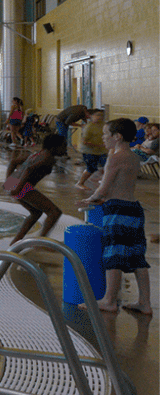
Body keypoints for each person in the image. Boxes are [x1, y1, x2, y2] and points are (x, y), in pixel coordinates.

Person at [81, 118, 152, 314]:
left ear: (117, 136)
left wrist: (89, 199)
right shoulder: (134, 157)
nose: (103, 138)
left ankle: (109, 300)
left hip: (117, 210)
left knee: (113, 253)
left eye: (106, 134)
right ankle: (145, 303)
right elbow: (121, 184)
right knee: (137, 256)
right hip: (133, 209)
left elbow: (103, 189)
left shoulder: (115, 157)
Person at [4, 134, 67, 245]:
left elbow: (13, 162)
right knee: (54, 212)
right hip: (21, 186)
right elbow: (29, 169)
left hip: (12, 183)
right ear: (54, 147)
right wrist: (18, 187)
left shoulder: (37, 154)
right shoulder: (48, 158)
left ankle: (15, 242)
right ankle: (40, 243)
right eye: (63, 146)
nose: (65, 149)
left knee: (36, 212)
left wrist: (8, 181)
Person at [75, 108, 107, 190]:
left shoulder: (103, 125)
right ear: (91, 116)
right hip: (89, 151)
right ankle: (80, 183)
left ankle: (104, 182)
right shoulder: (89, 127)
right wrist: (98, 145)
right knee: (91, 168)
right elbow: (84, 142)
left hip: (101, 150)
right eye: (97, 115)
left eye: (101, 115)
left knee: (106, 166)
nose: (99, 117)